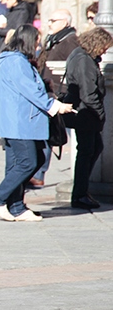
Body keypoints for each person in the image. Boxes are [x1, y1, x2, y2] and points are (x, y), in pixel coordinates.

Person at [0, 25, 74, 222]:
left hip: (17, 120)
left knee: (18, 163)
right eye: (36, 41)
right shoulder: (16, 62)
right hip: (19, 121)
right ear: (27, 41)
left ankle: (16, 206)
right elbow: (29, 90)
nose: (38, 45)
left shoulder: (14, 60)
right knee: (29, 162)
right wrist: (55, 106)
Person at [29, 9, 80, 188]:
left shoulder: (71, 41)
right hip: (48, 90)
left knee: (50, 135)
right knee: (46, 134)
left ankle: (38, 173)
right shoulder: (54, 39)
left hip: (59, 93)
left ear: (65, 22)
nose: (49, 23)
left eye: (53, 20)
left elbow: (75, 68)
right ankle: (36, 173)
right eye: (49, 20)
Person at [63, 27, 113, 210]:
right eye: (104, 47)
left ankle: (81, 191)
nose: (105, 51)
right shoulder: (84, 60)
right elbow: (88, 92)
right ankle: (80, 194)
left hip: (85, 112)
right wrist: (99, 114)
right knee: (86, 151)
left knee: (92, 148)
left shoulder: (82, 56)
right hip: (86, 113)